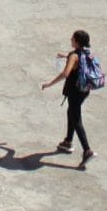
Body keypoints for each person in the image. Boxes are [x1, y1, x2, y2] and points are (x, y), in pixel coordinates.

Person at [40, 29, 97, 164]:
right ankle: (67, 141)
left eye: (72, 38)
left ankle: (87, 150)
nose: (70, 39)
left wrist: (49, 84)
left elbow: (66, 74)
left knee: (76, 119)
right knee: (71, 111)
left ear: (76, 41)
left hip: (74, 91)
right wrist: (66, 56)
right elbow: (78, 60)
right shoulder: (85, 52)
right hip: (84, 90)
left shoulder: (74, 56)